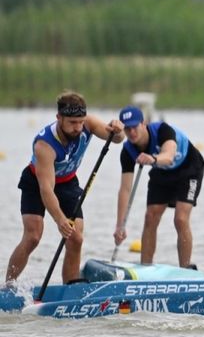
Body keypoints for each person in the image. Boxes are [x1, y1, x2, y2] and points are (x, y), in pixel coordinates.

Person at [6, 92, 124, 287]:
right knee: (33, 236)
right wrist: (60, 220)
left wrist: (118, 130)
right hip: (37, 183)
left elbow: (117, 138)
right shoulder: (45, 144)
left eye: (80, 122)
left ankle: (71, 286)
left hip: (68, 183)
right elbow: (46, 190)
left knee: (76, 238)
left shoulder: (89, 124)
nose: (78, 128)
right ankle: (8, 286)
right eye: (72, 123)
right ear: (59, 118)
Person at [113, 106, 204, 268]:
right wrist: (120, 225)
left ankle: (185, 268)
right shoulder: (128, 151)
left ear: (144, 123)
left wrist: (153, 159)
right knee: (150, 216)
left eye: (134, 126)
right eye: (127, 129)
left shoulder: (163, 130)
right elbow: (125, 189)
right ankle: (145, 269)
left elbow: (168, 156)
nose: (132, 132)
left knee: (180, 219)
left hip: (189, 169)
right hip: (162, 173)